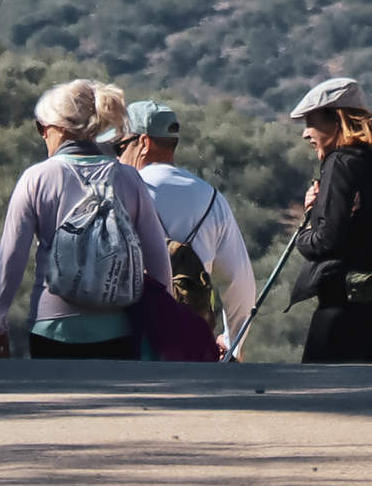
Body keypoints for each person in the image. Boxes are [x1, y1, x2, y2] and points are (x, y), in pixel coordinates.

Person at [0, 79, 172, 360]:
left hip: (51, 327)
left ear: (57, 129)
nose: (42, 136)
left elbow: (11, 258)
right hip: (117, 329)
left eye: (41, 128)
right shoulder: (128, 178)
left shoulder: (37, 179)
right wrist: (162, 323)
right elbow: (158, 259)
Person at [109, 100, 259, 358]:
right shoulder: (211, 198)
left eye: (119, 147)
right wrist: (233, 343)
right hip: (189, 338)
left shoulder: (117, 189)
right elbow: (239, 284)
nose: (116, 156)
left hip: (124, 334)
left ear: (143, 143)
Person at [287, 76, 372, 364]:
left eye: (311, 121)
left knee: (319, 397)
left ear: (336, 120)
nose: (306, 134)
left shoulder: (341, 162)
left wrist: (306, 227)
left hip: (348, 305)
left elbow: (325, 241)